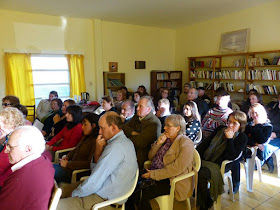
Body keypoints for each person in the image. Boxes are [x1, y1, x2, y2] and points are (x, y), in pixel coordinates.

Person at [57, 112, 138, 210]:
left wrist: (74, 194)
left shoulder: (116, 147)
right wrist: (98, 150)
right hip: (102, 190)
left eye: (102, 128)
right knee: (60, 189)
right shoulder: (122, 141)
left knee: (55, 205)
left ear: (113, 127)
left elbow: (95, 180)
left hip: (103, 200)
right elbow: (95, 170)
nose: (99, 132)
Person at [126, 114, 194, 210]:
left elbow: (177, 168)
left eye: (168, 126)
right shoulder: (167, 139)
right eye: (165, 125)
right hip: (155, 172)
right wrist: (158, 144)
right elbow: (151, 157)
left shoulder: (186, 143)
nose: (165, 128)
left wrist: (153, 174)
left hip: (170, 180)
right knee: (129, 183)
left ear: (178, 128)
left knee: (139, 194)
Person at [196, 111, 248, 210]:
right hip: (208, 159)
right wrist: (196, 156)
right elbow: (206, 143)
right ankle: (203, 197)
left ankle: (206, 203)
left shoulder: (242, 137)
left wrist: (229, 139)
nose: (230, 125)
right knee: (192, 167)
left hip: (222, 164)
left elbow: (231, 156)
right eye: (229, 122)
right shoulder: (220, 129)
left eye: (235, 123)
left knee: (200, 173)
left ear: (241, 125)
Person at [0, 126, 54, 209]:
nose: (6, 150)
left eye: (10, 147)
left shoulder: (20, 180)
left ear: (28, 149)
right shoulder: (44, 161)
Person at [53, 113, 99, 183]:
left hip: (76, 173)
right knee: (47, 168)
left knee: (49, 172)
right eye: (82, 125)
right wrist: (67, 157)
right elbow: (76, 149)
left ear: (94, 126)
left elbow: (89, 164)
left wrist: (68, 164)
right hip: (69, 167)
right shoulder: (86, 137)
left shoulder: (96, 142)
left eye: (85, 125)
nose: (82, 127)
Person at [123, 96, 161, 167]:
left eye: (141, 106)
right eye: (137, 106)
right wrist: (133, 132)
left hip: (142, 156)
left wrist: (126, 137)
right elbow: (124, 127)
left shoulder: (154, 123)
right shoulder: (137, 116)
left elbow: (140, 142)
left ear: (148, 109)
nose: (137, 108)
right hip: (131, 149)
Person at [0, 107, 25, 188]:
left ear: (13, 127)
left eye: (5, 122)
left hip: (3, 184)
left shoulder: (13, 144)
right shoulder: (6, 137)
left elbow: (1, 167)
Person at [244, 103, 273, 171]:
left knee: (254, 167)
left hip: (260, 150)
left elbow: (262, 140)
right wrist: (255, 143)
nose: (254, 115)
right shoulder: (249, 125)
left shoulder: (268, 126)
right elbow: (245, 138)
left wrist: (257, 125)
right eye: (252, 113)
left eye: (256, 113)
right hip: (251, 146)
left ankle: (267, 159)